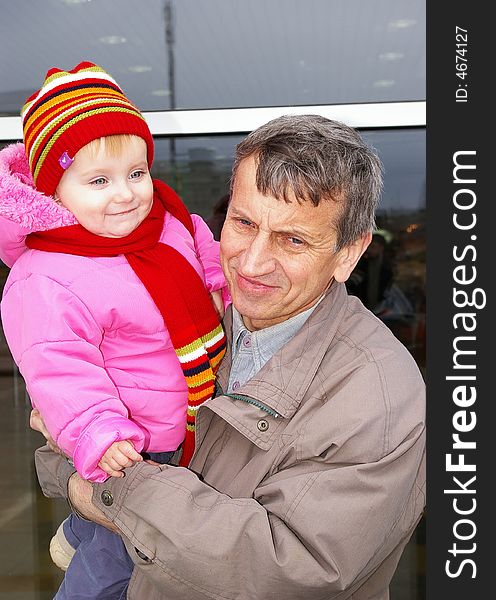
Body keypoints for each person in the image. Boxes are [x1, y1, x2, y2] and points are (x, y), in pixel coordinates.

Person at [31, 114, 425, 600]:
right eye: (243, 222)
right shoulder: (185, 309)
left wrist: (107, 491)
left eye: (293, 239)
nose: (252, 262)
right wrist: (73, 442)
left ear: (349, 253)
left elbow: (290, 569)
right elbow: (66, 423)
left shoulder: (380, 393)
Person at [0, 61, 228, 599]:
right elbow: (58, 368)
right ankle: (87, 543)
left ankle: (78, 530)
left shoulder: (164, 220)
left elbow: (199, 244)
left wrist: (217, 278)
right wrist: (98, 434)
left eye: (136, 173)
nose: (125, 194)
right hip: (130, 448)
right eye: (98, 181)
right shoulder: (47, 275)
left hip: (191, 418)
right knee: (113, 569)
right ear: (55, 192)